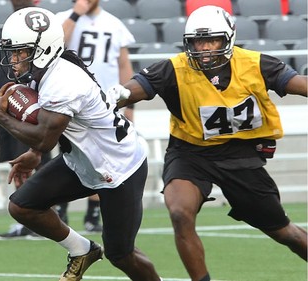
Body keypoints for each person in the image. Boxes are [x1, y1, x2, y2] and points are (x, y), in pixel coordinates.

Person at [112, 5, 308, 281]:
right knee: (180, 212)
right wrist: (115, 95)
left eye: (211, 40)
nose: (204, 48)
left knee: (284, 232)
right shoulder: (175, 68)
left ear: (228, 38)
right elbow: (135, 88)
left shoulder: (256, 63)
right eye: (197, 41)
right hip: (190, 153)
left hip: (241, 156)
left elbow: (299, 83)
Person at [0, 7, 161, 281]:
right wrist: (34, 153)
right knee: (22, 206)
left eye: (20, 51)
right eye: (12, 51)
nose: (14, 58)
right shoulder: (45, 70)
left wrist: (2, 118)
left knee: (121, 254)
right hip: (83, 160)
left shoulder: (62, 81)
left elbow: (45, 138)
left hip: (118, 168)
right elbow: (49, 132)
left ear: (43, 48)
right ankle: (82, 250)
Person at [54, 0, 136, 232]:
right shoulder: (63, 17)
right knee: (68, 154)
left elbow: (123, 64)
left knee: (102, 158)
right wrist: (76, 14)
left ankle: (93, 214)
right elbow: (57, 43)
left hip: (105, 103)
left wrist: (130, 105)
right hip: (70, 99)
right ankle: (60, 208)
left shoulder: (114, 24)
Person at [0, 0, 52, 240]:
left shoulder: (42, 28)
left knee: (38, 162)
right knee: (16, 162)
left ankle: (42, 216)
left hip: (31, 104)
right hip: (9, 100)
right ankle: (28, 219)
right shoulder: (8, 25)